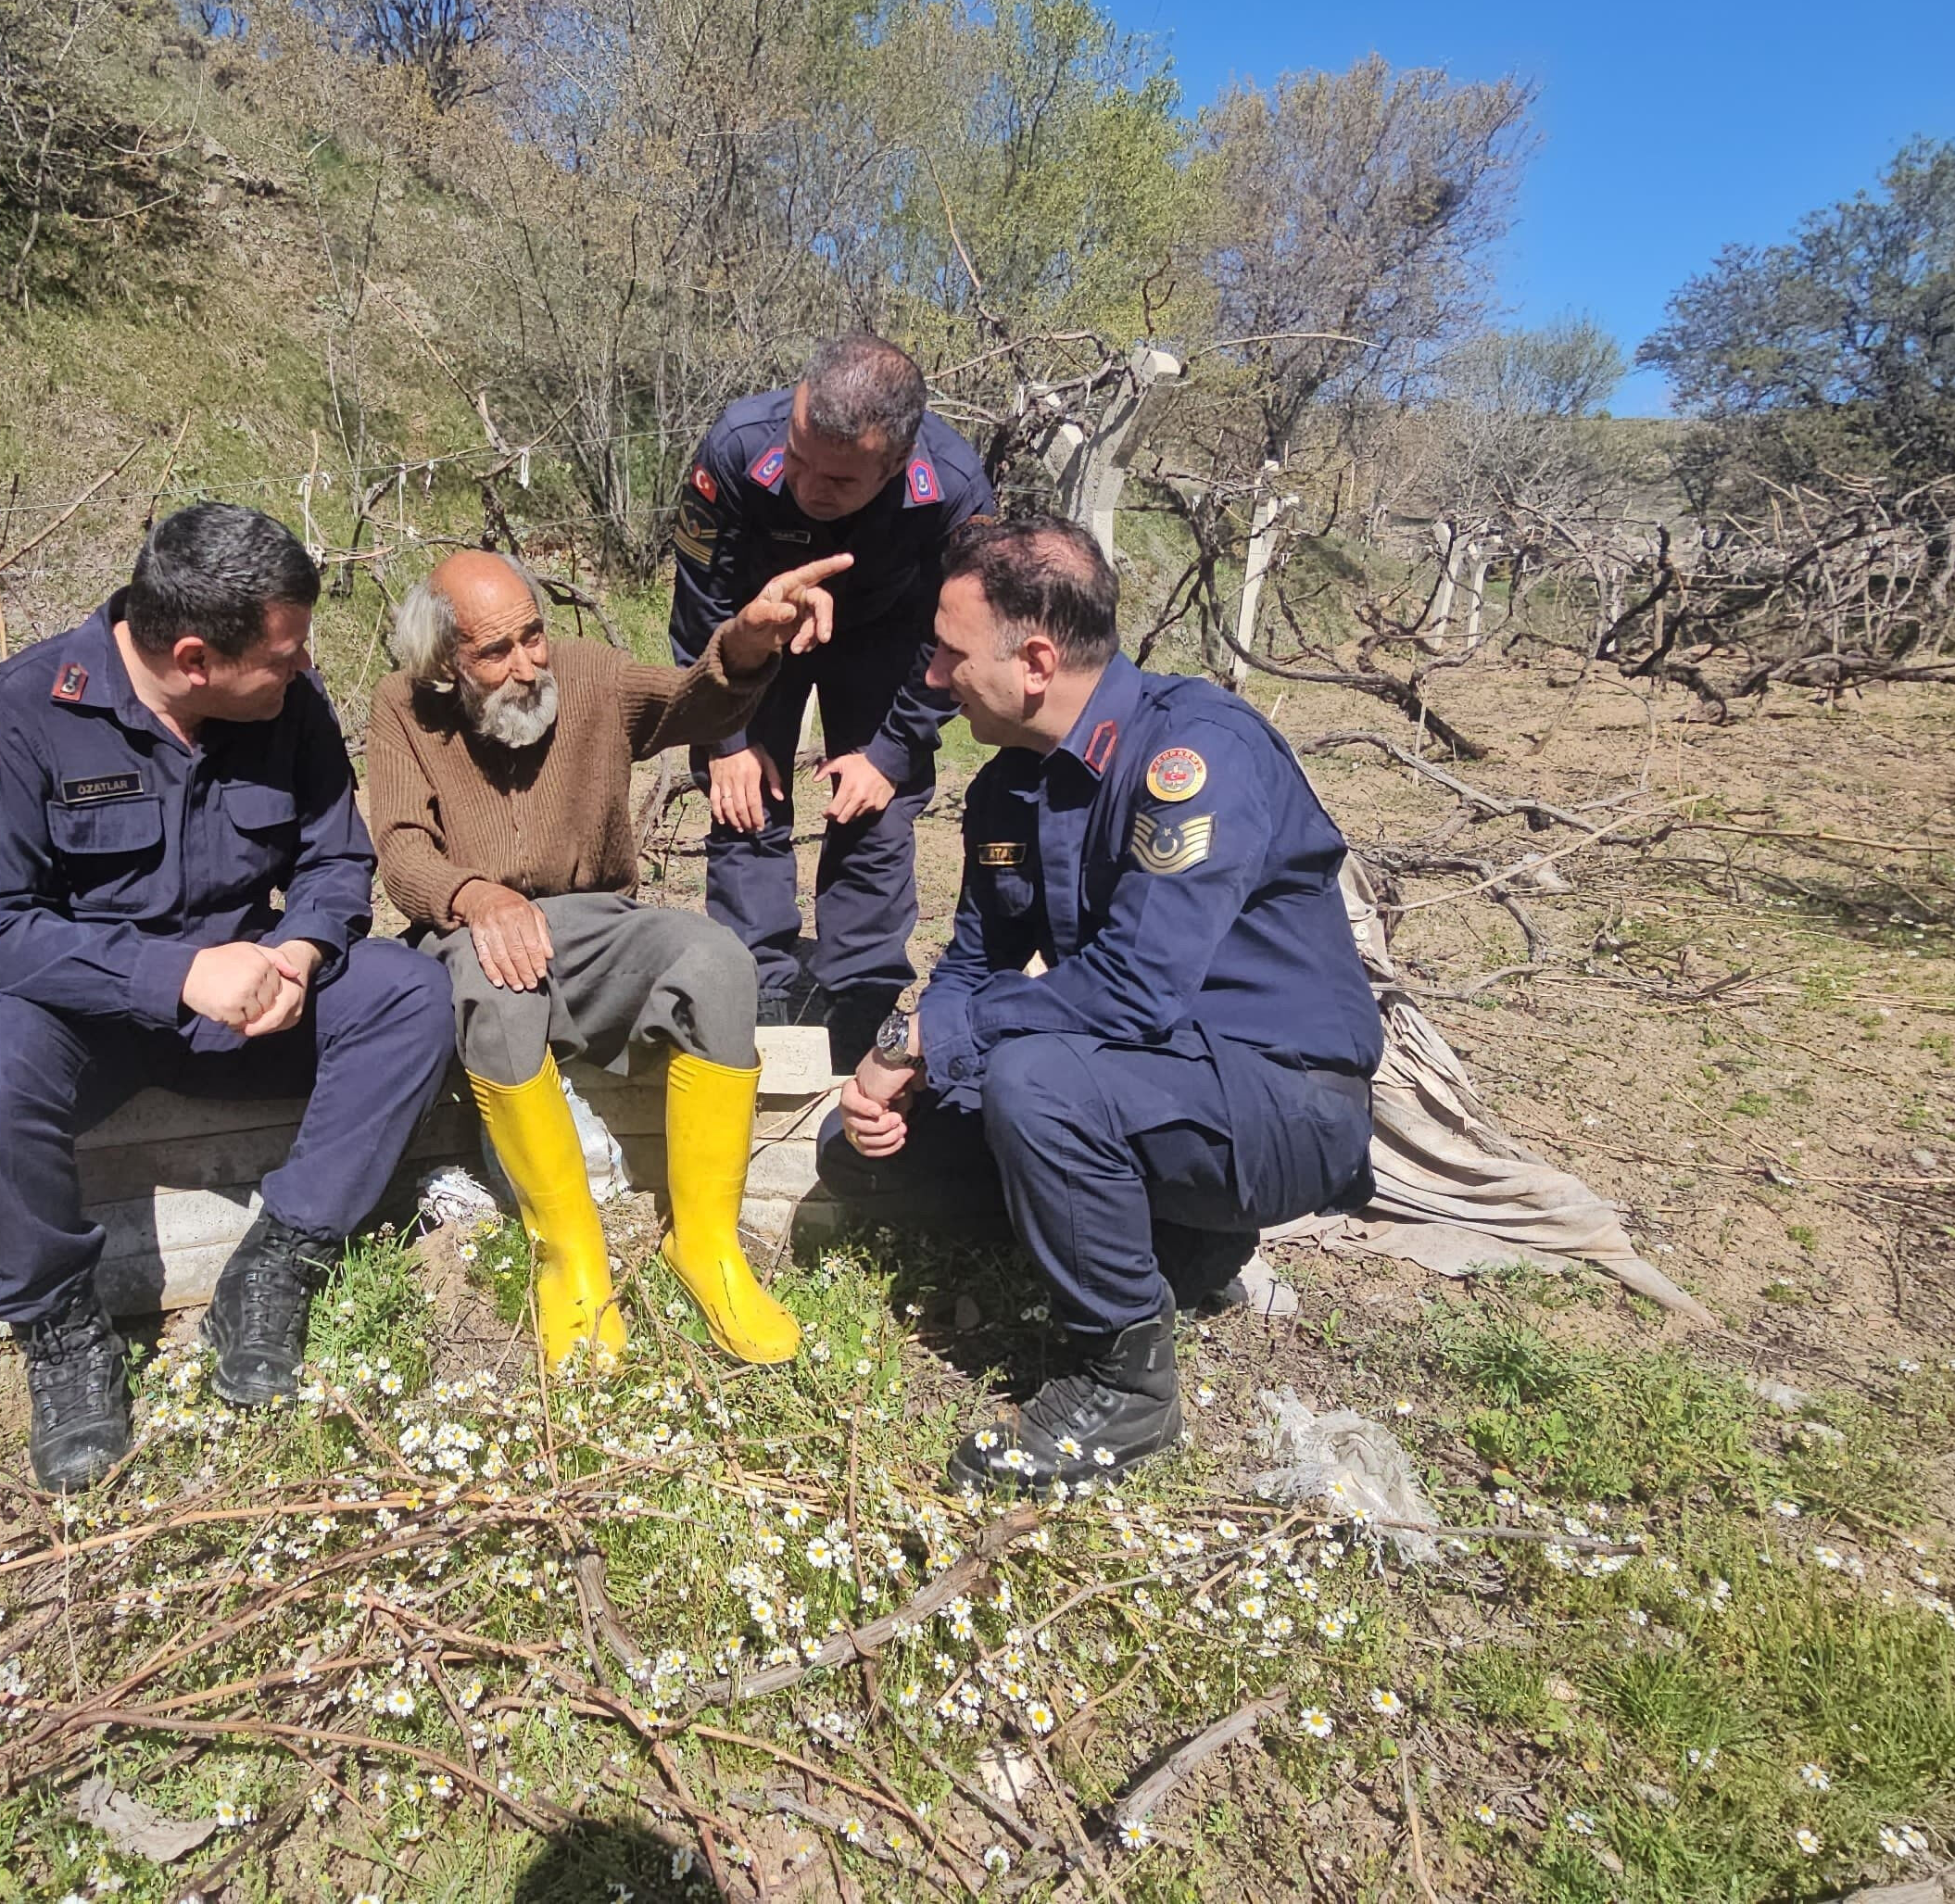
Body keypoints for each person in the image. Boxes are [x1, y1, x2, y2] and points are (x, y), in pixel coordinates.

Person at [823, 513, 1384, 1493]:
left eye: (952, 656)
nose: (935, 680)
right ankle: (1181, 1247)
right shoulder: (1009, 790)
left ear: (1035, 659)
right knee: (892, 1137)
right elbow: (976, 962)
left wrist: (920, 1033)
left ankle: (1124, 1384)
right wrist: (905, 1065)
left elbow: (1134, 987)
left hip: (1279, 1097)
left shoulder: (1193, 754)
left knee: (1033, 1080)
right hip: (1151, 1075)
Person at [0, 503, 454, 1492]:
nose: (300, 670)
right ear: (196, 658)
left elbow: (336, 860)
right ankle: (61, 1327)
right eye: (283, 656)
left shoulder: (289, 702)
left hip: (248, 1007)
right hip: (78, 1021)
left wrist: (297, 949)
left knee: (407, 992)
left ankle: (283, 1256)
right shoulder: (20, 711)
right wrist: (175, 974)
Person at [367, 546, 851, 1370]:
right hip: (473, 927)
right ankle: (572, 1259)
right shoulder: (403, 709)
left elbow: (689, 703)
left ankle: (707, 1248)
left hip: (598, 922)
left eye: (533, 636)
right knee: (501, 984)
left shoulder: (587, 677)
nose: (526, 665)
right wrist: (477, 898)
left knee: (717, 961)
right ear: (445, 663)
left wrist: (743, 642)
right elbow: (404, 848)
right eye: (495, 650)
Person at [671, 332, 993, 1059]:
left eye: (841, 481)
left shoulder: (954, 491)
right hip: (761, 623)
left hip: (890, 636)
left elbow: (957, 637)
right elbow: (700, 605)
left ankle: (857, 1000)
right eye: (801, 459)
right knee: (744, 796)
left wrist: (891, 749)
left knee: (875, 808)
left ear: (899, 461)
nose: (810, 488)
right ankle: (754, 988)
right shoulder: (736, 446)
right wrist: (722, 736)